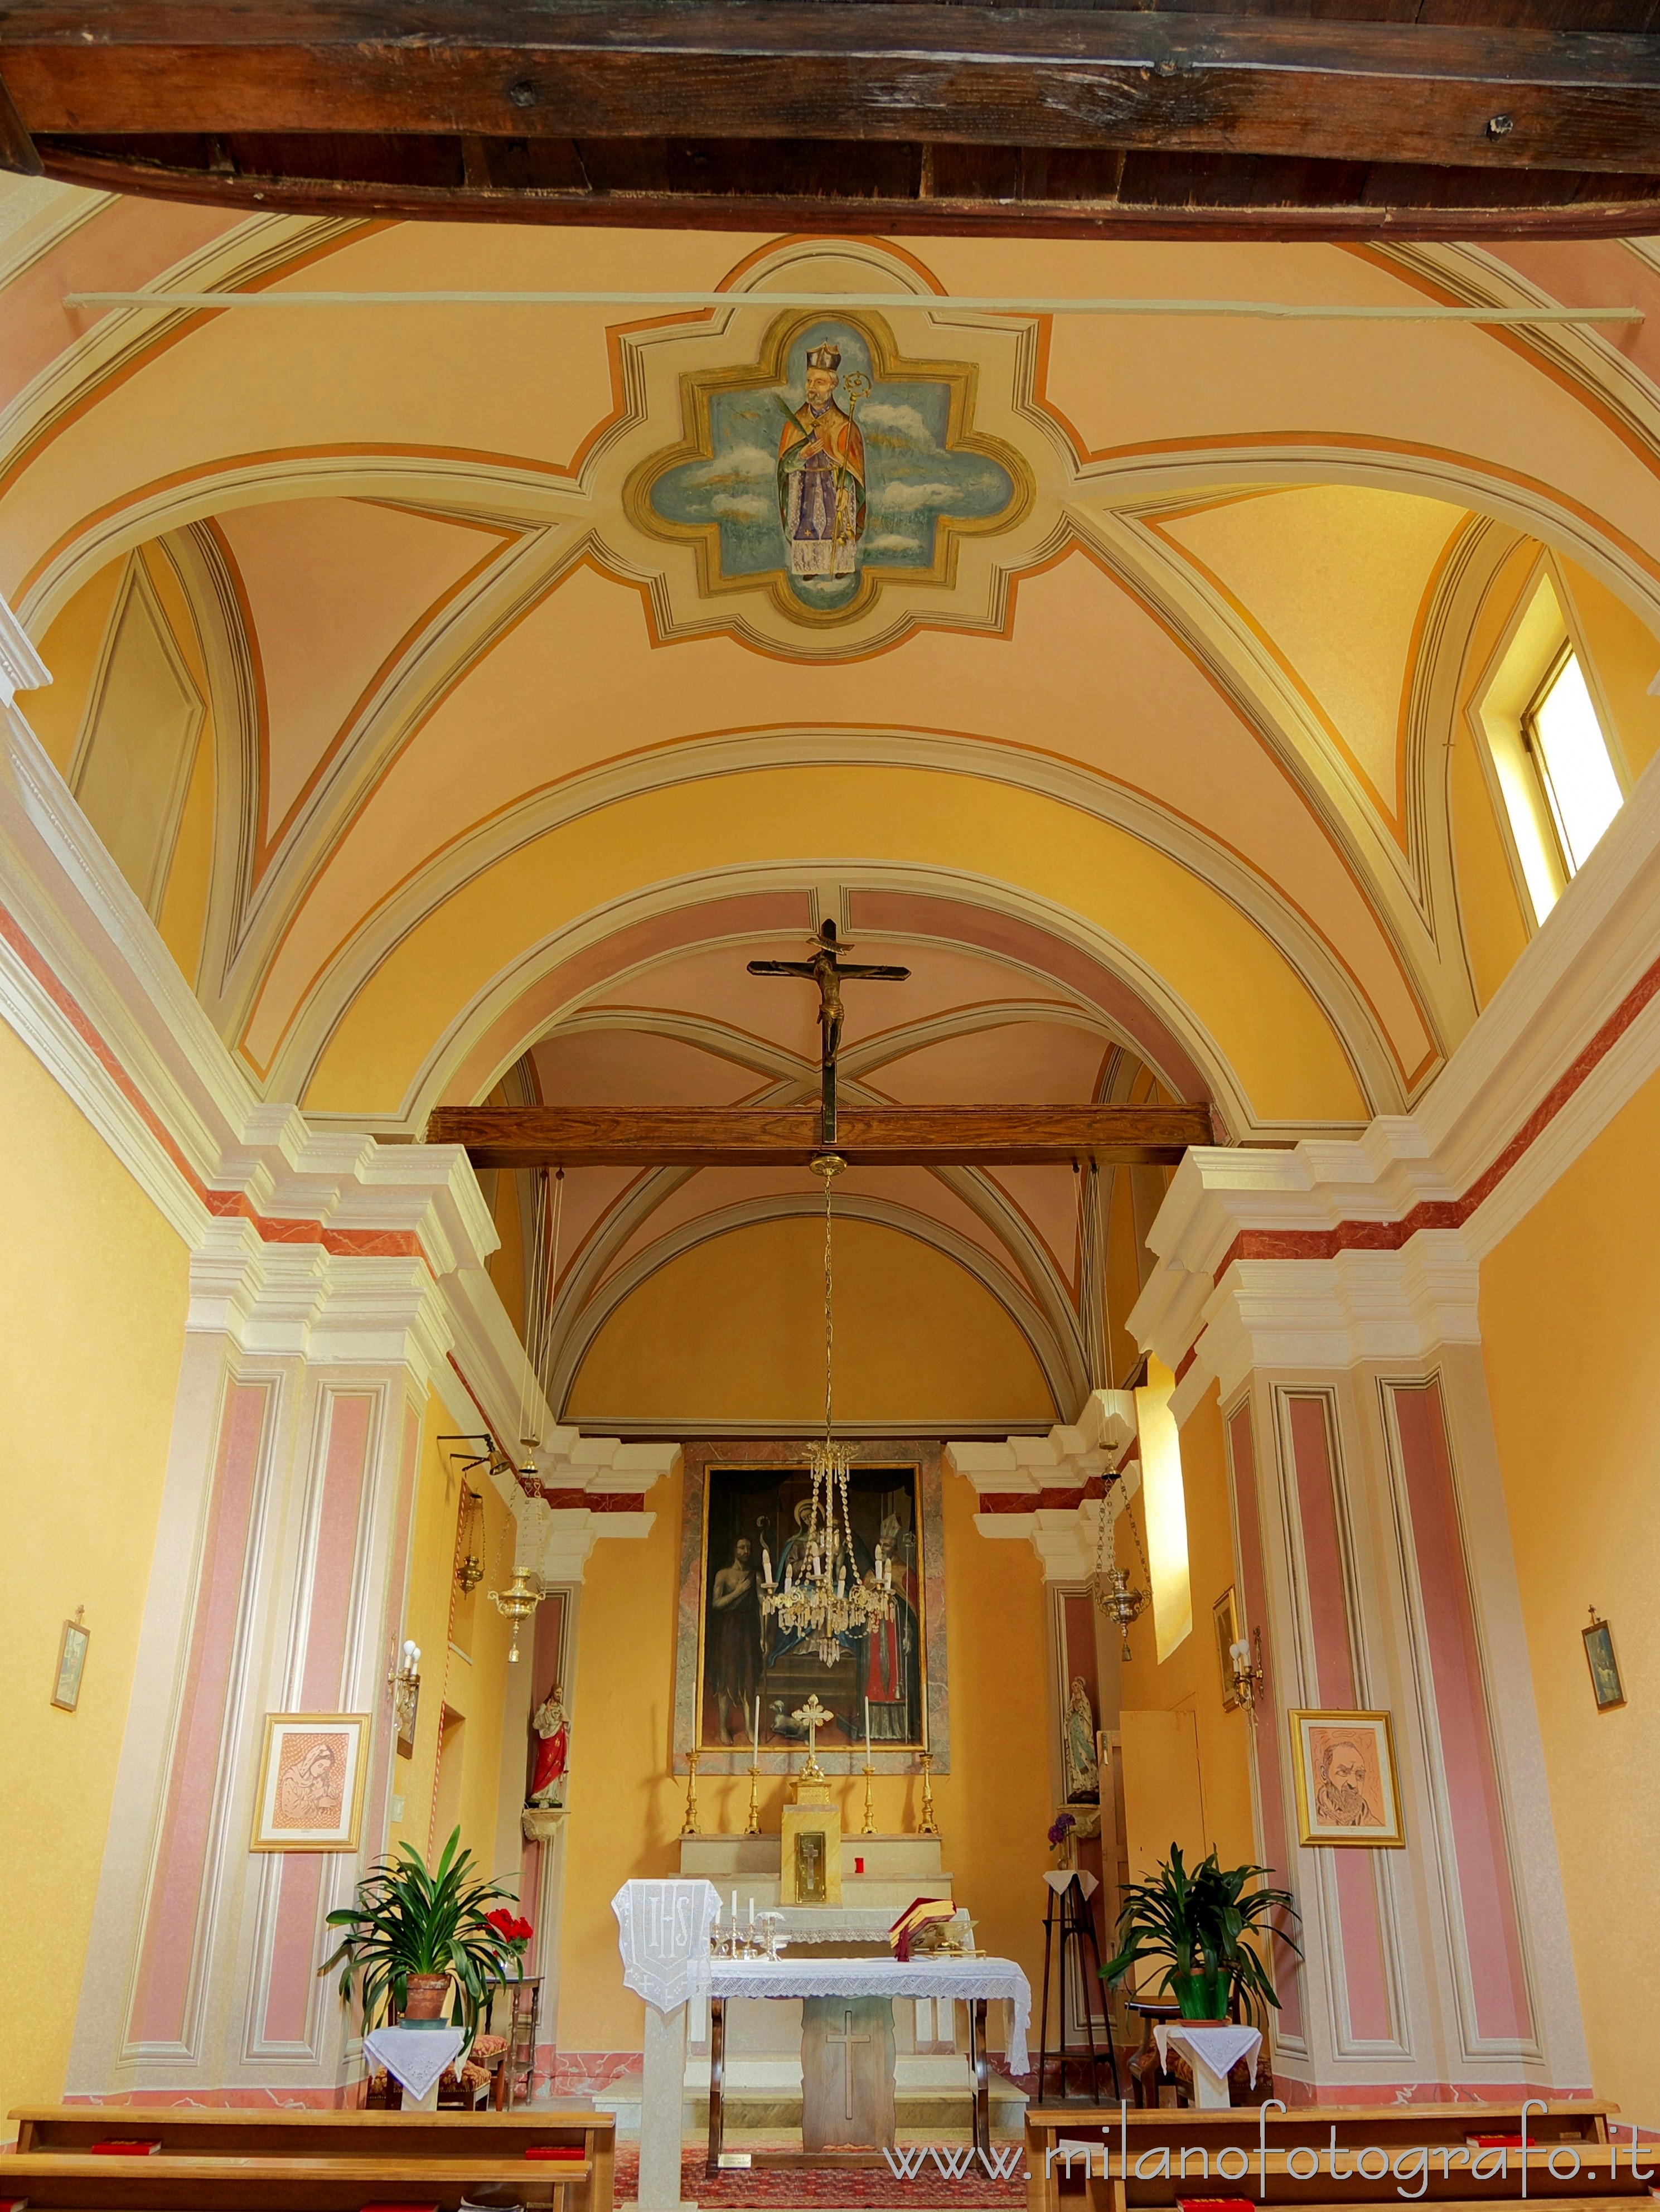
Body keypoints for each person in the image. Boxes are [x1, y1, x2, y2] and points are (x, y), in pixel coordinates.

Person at [777, 343, 867, 579]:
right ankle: (810, 566)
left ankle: (839, 565)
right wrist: (800, 456)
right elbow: (784, 468)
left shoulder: (845, 425)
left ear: (832, 386)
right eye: (809, 381)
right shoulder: (794, 423)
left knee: (833, 526)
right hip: (804, 488)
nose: (812, 388)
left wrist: (846, 490)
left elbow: (853, 469)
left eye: (819, 382)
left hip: (832, 487)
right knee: (807, 526)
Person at [708, 1535, 762, 1745]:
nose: (746, 1551)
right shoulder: (724, 1575)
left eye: (749, 1547)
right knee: (726, 1678)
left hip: (749, 1629)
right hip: (728, 1630)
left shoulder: (754, 1576)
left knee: (748, 1677)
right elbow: (716, 1604)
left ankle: (749, 1727)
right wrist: (738, 1592)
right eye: (741, 1547)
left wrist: (764, 1636)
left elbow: (761, 1605)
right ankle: (722, 1727)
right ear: (735, 1550)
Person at [276, 1737, 342, 1829]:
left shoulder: (322, 1775)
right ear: (311, 1761)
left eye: (325, 1768)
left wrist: (323, 1790)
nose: (321, 1771)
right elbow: (291, 1809)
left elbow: (334, 1791)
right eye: (320, 1766)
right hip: (294, 1829)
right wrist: (319, 1803)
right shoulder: (292, 1779)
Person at [1314, 1736, 1378, 1827]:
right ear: (1324, 1774)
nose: (1354, 1784)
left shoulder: (1373, 1825)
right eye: (1344, 1772)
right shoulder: (1311, 1819)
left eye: (1360, 1775)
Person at [529, 1684, 569, 1808]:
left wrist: (566, 1720)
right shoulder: (545, 1707)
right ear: (552, 1693)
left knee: (556, 1767)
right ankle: (539, 1792)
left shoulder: (561, 1708)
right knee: (544, 1764)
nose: (559, 1695)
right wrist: (546, 1714)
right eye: (557, 1693)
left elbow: (567, 1726)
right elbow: (536, 1724)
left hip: (558, 1743)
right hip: (547, 1743)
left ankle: (551, 1795)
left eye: (560, 1693)